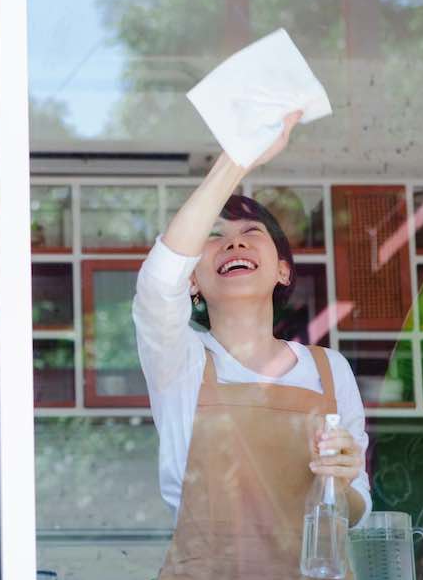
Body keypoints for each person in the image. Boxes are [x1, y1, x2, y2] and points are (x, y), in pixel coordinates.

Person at [134, 111, 370, 579]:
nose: (233, 244)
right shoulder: (179, 362)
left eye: (250, 234)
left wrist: (343, 479)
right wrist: (235, 162)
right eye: (214, 238)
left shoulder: (330, 370)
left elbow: (356, 512)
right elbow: (159, 282)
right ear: (193, 281)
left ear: (282, 269)